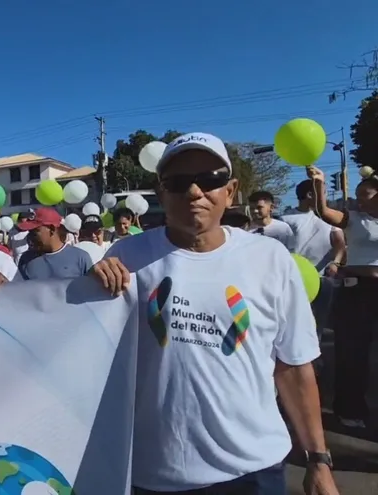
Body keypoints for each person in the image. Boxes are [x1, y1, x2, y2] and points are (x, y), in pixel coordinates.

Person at [90, 132, 337, 495]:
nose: (194, 192)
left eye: (210, 180)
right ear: (161, 193)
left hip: (253, 471)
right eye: (178, 182)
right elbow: (80, 348)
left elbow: (294, 367)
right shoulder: (125, 257)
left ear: (231, 190)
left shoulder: (270, 259)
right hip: (153, 474)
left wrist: (319, 460)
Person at [309, 165, 378, 430]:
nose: (360, 198)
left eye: (367, 193)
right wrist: (319, 184)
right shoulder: (352, 218)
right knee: (353, 353)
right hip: (356, 290)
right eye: (358, 193)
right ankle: (349, 408)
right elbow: (323, 212)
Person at [282, 180, 346, 276]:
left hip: (324, 277)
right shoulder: (285, 219)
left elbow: (340, 244)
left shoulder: (329, 217)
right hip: (295, 275)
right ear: (310, 195)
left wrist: (335, 263)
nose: (325, 197)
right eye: (323, 193)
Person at [16, 208, 92, 280]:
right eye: (29, 232)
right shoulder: (25, 259)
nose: (30, 236)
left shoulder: (81, 258)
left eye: (35, 231)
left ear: (52, 229)